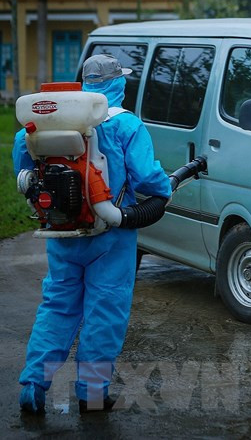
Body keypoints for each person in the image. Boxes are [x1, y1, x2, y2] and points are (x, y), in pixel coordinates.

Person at [14, 54, 171, 414]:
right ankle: (92, 393)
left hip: (62, 229)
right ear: (118, 84)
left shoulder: (46, 120)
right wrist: (166, 187)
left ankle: (33, 386)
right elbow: (148, 178)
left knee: (57, 306)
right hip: (110, 235)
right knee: (105, 310)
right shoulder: (125, 125)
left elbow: (22, 165)